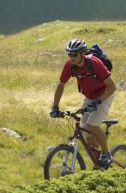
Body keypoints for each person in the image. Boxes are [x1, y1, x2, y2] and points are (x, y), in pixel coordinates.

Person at [50, 38, 117, 167]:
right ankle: (99, 164)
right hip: (89, 96)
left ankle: (106, 153)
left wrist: (98, 101)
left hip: (105, 94)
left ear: (82, 53)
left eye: (74, 54)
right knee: (85, 132)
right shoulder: (69, 65)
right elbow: (61, 85)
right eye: (69, 54)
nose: (72, 58)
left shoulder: (95, 63)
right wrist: (55, 107)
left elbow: (112, 86)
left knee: (92, 124)